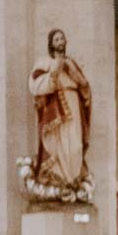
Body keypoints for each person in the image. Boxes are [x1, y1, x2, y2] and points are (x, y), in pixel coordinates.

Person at [27, 28, 93, 200]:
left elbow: (84, 88)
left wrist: (77, 77)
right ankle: (60, 180)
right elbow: (35, 84)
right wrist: (55, 70)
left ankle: (74, 180)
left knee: (75, 145)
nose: (60, 41)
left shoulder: (71, 63)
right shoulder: (44, 62)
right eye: (56, 39)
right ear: (51, 44)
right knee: (59, 144)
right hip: (56, 107)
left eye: (62, 38)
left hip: (73, 104)